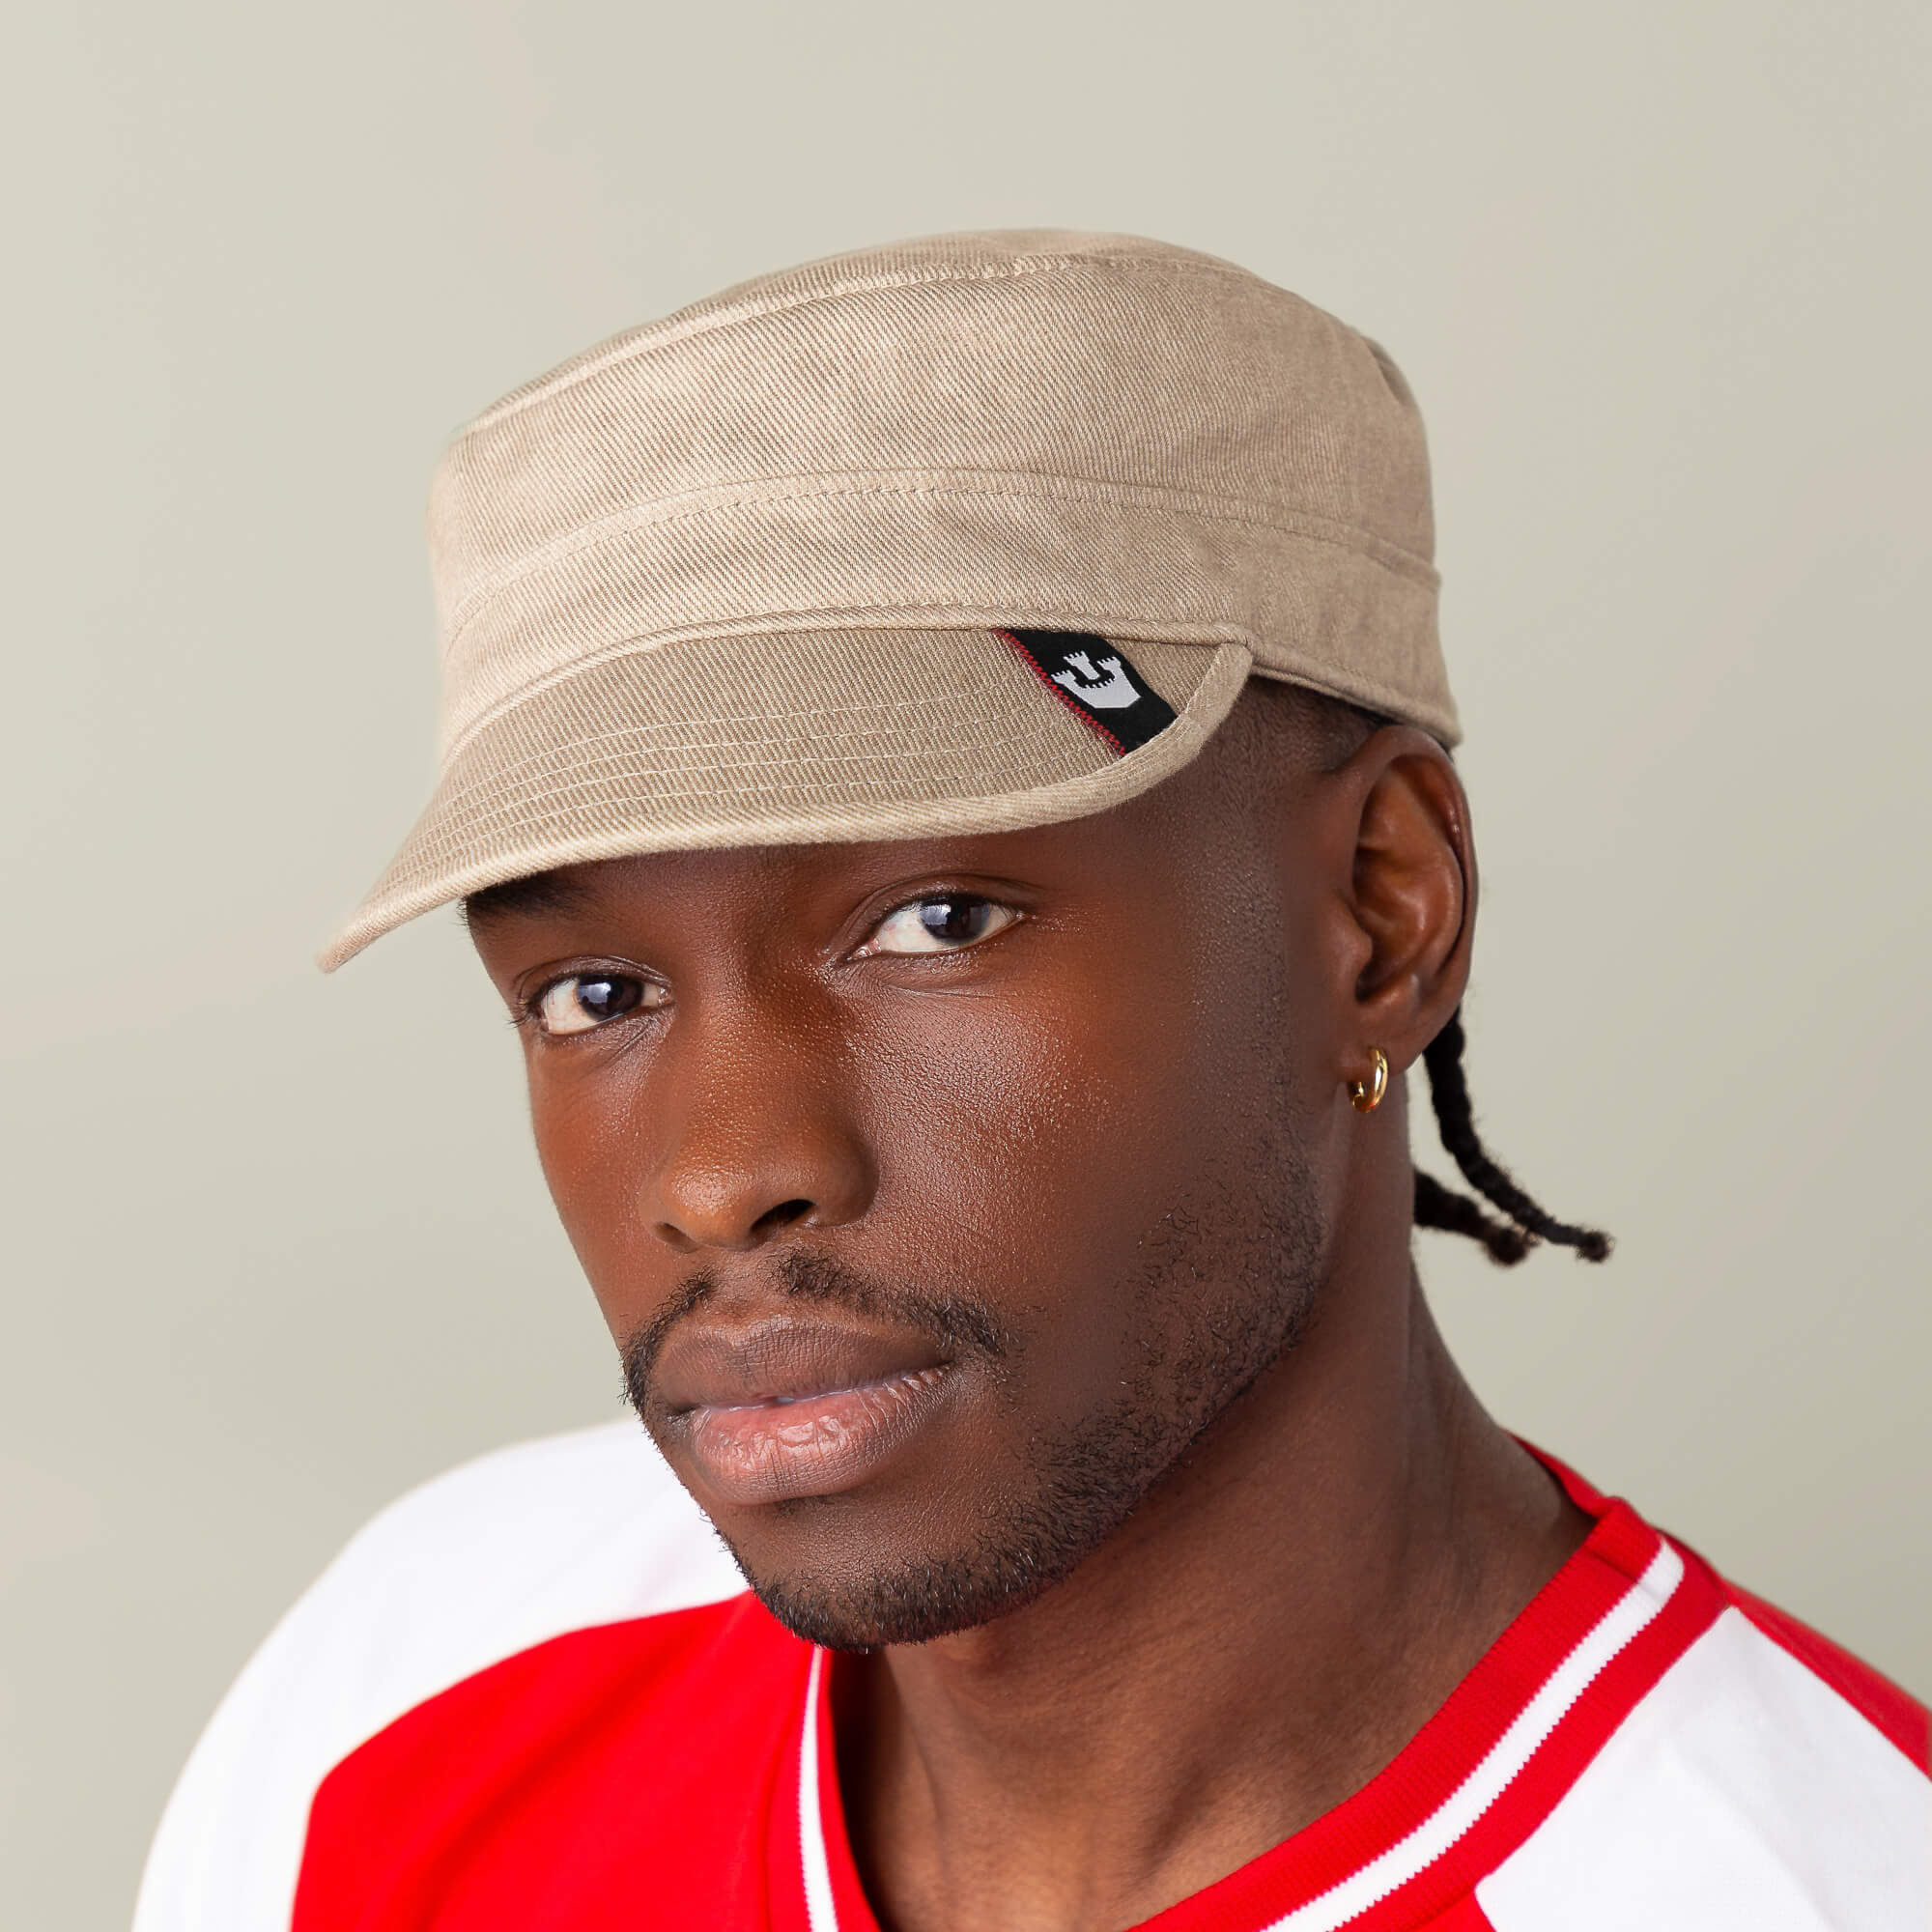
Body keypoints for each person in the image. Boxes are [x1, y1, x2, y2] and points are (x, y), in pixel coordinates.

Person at [135, 231, 1926, 1932]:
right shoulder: (411, 1682)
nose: (722, 1173)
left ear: (1383, 912)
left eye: (938, 920)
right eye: (595, 992)